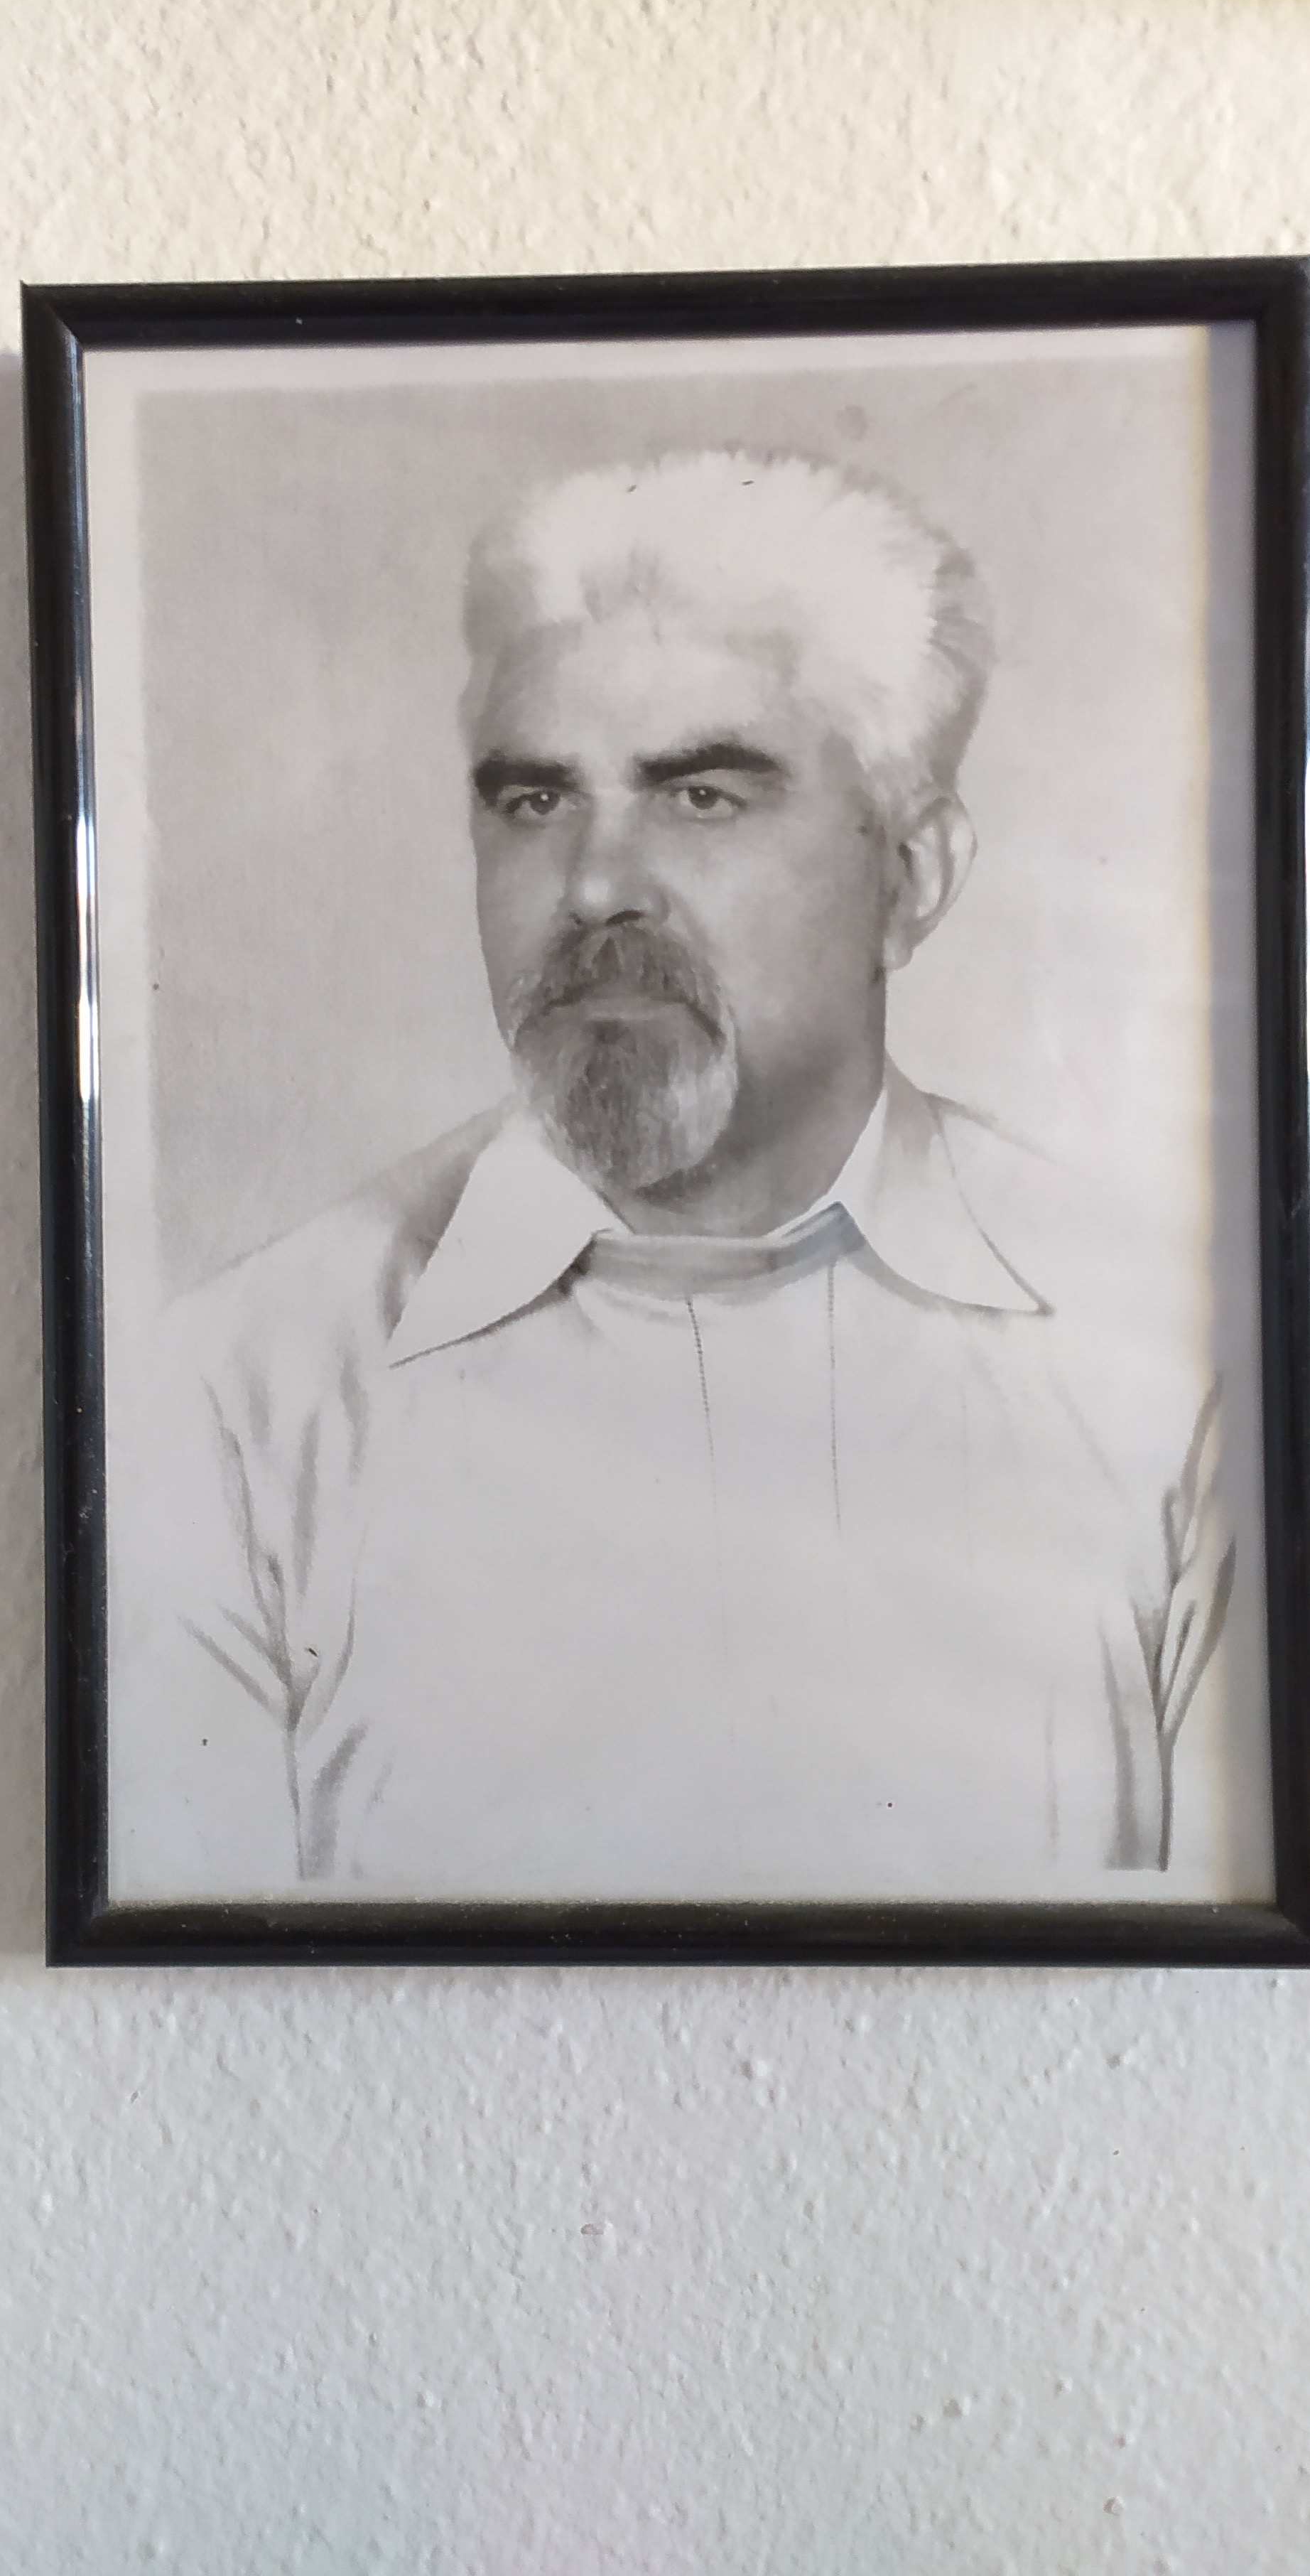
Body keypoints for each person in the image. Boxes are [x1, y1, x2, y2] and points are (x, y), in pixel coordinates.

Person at [111, 450, 1243, 1904]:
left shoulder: (1181, 1366)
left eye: (701, 795)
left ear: (910, 878)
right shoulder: (239, 1397)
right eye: (534, 803)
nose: (594, 886)